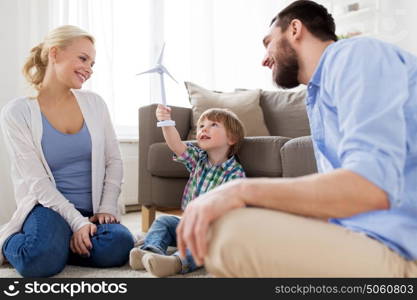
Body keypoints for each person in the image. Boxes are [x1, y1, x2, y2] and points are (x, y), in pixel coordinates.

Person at [175, 0, 417, 277]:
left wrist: (237, 190)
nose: (264, 59)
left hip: (404, 251)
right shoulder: (318, 95)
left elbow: (371, 187)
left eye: (268, 42)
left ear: (294, 29)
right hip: (371, 235)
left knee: (227, 234)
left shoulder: (353, 55)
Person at [0, 25, 134, 277]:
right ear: (54, 53)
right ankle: (9, 242)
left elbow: (114, 160)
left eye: (92, 63)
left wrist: (106, 209)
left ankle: (59, 245)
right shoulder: (17, 113)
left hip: (93, 211)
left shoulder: (95, 104)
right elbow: (36, 182)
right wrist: (76, 222)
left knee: (119, 244)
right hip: (48, 208)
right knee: (37, 262)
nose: (89, 69)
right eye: (83, 58)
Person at [129, 105, 246, 277]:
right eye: (201, 126)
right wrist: (166, 122)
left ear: (232, 138)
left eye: (213, 125)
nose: (204, 129)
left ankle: (176, 262)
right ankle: (151, 251)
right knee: (165, 221)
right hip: (187, 225)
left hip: (211, 231)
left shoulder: (235, 173)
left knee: (206, 242)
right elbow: (176, 144)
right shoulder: (198, 159)